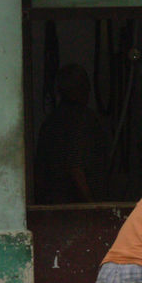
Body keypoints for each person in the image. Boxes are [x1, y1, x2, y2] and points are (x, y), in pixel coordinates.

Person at [35, 63, 106, 204]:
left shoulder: (50, 121)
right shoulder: (83, 120)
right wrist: (91, 204)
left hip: (51, 203)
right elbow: (76, 167)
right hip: (75, 204)